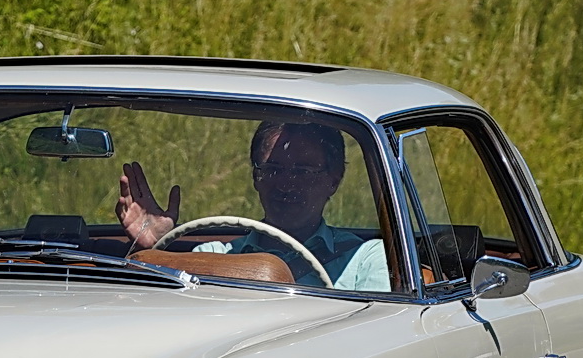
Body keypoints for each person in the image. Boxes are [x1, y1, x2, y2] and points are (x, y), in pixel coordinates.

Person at [114, 121, 390, 291]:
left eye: (303, 171)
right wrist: (152, 248)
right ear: (255, 177)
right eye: (272, 170)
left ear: (334, 179)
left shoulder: (366, 260)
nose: (285, 184)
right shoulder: (213, 255)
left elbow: (376, 343)